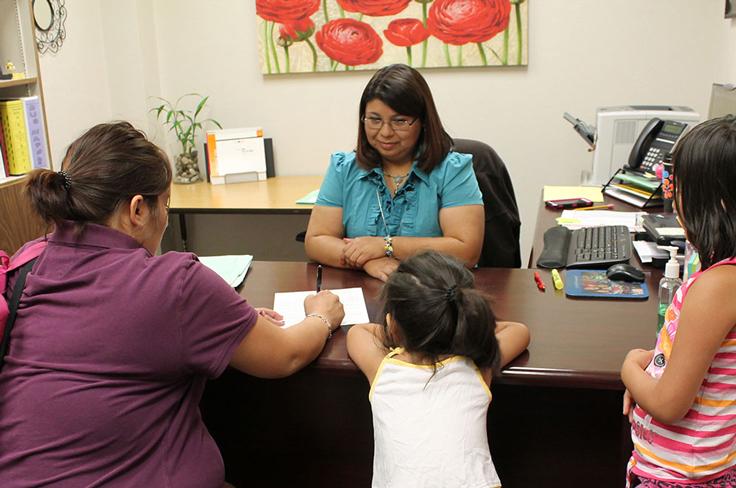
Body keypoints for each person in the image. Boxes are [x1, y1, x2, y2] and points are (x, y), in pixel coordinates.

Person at [0, 121, 344, 487]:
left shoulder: (28, 263)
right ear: (137, 210)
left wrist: (227, 324)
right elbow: (285, 355)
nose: (165, 216)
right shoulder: (174, 283)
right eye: (166, 204)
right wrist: (322, 316)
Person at [346, 251, 530, 487]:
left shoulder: (385, 371)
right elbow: (518, 330)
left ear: (393, 324)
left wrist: (400, 335)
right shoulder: (473, 368)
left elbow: (357, 332)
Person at [621, 115, 736, 487]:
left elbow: (671, 405)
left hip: (678, 477)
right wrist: (651, 370)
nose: (672, 196)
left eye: (677, 187)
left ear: (715, 202)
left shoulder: (716, 288)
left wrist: (629, 370)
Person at [305, 64, 485, 282]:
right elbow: (316, 240)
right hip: (362, 293)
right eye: (374, 119)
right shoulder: (343, 168)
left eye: (399, 121)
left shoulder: (453, 170)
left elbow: (466, 251)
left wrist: (385, 246)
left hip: (431, 295)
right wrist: (369, 261)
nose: (386, 132)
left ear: (423, 122)